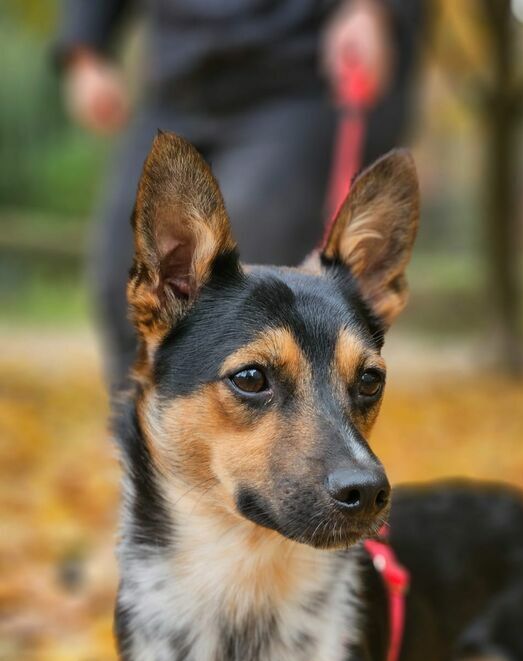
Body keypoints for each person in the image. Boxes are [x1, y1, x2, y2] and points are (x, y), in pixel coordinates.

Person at [56, 0, 424, 387]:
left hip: (298, 76)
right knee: (125, 276)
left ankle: (277, 409)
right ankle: (148, 424)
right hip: (176, 79)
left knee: (255, 250)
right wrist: (85, 51)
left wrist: (372, 10)